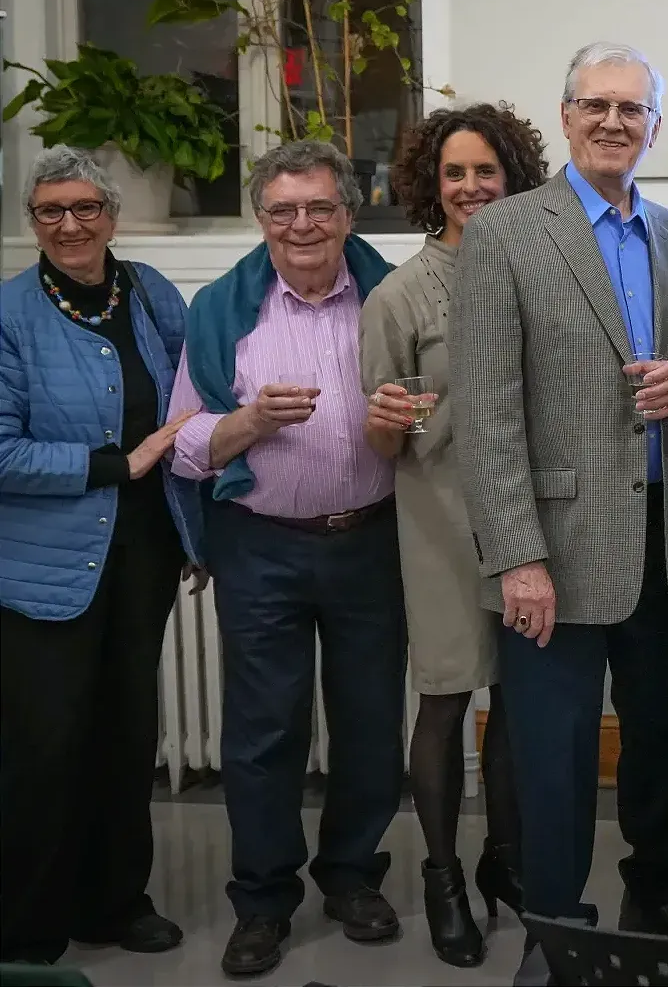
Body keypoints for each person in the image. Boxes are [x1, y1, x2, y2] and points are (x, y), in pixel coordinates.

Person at [453, 41, 668, 938]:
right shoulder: (505, 232)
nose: (611, 122)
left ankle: (656, 895)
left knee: (660, 743)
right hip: (550, 551)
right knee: (553, 756)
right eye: (595, 105)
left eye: (630, 110)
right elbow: (485, 412)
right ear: (565, 117)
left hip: (662, 539)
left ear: (655, 127)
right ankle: (556, 921)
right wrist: (518, 556)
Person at [166, 140, 403, 978]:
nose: (302, 224)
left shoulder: (392, 294)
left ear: (347, 214)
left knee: (373, 721)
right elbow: (187, 445)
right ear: (260, 219)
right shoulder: (222, 309)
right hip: (261, 543)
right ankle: (263, 901)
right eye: (283, 210)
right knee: (263, 731)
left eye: (320, 208)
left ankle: (350, 876)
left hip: (373, 538)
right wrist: (250, 424)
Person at [0, 145, 204, 965]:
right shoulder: (10, 313)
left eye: (85, 207)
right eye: (51, 210)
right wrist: (112, 464)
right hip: (42, 570)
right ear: (33, 223)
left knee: (127, 735)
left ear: (112, 216)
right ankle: (27, 923)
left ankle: (117, 900)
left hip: (142, 553)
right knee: (45, 748)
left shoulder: (151, 291)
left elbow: (191, 403)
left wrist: (197, 526)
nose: (70, 224)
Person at [357, 102, 548, 967]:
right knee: (445, 700)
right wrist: (385, 417)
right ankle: (442, 877)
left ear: (512, 175)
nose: (472, 186)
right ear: (430, 187)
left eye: (486, 170)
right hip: (439, 523)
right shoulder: (400, 294)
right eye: (454, 173)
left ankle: (503, 859)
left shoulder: (536, 271)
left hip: (532, 523)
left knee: (519, 701)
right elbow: (382, 438)